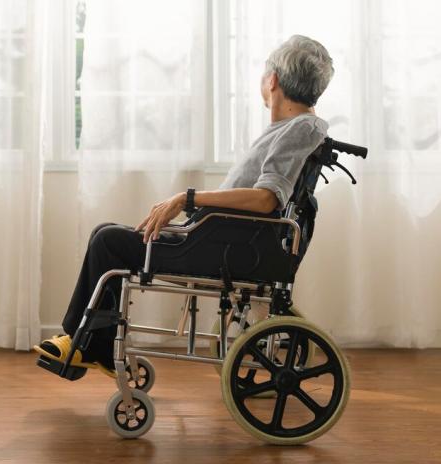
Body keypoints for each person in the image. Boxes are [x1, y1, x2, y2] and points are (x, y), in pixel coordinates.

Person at [34, 34, 334, 376]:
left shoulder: (299, 129)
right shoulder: (292, 128)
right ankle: (88, 344)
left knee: (108, 242)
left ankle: (84, 344)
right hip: (218, 238)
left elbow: (267, 198)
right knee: (106, 233)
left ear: (273, 80)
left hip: (221, 247)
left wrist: (186, 198)